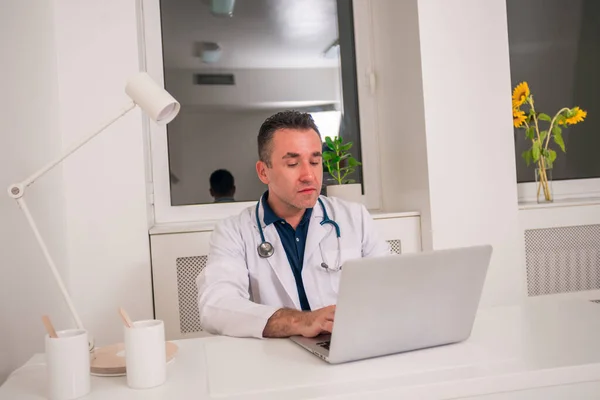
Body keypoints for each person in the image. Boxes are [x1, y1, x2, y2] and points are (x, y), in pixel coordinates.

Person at [196, 110, 390, 339]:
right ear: (263, 172)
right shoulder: (233, 232)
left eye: (315, 161)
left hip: (348, 345)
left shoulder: (354, 218)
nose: (309, 175)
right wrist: (300, 321)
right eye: (292, 163)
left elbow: (391, 286)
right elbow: (216, 306)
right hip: (278, 359)